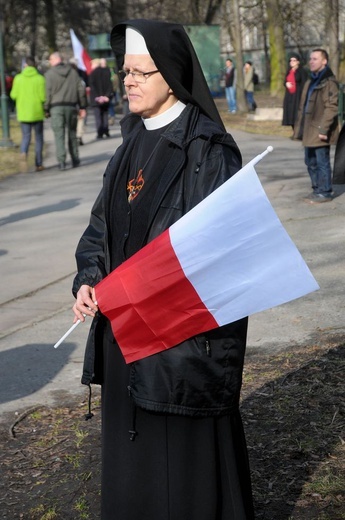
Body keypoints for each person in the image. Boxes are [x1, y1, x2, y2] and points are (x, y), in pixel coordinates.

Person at [72, 19, 255, 520]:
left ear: (170, 75)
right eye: (124, 71)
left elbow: (219, 256)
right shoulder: (129, 143)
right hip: (122, 335)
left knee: (182, 476)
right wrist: (89, 277)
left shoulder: (208, 151)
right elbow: (100, 230)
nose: (126, 81)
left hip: (177, 343)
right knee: (136, 472)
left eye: (138, 72)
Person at [294, 48, 339, 203]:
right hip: (308, 128)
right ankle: (316, 189)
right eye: (310, 59)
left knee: (321, 162)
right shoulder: (310, 80)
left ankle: (325, 192)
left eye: (315, 59)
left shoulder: (329, 82)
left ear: (324, 61)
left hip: (320, 129)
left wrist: (324, 128)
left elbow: (332, 107)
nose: (311, 62)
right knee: (310, 161)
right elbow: (303, 106)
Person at [44, 52, 87, 170]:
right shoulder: (73, 73)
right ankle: (75, 159)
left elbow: (47, 93)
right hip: (71, 106)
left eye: (50, 60)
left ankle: (62, 161)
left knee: (59, 135)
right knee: (72, 133)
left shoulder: (49, 74)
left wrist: (46, 108)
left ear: (55, 60)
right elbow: (81, 89)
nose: (50, 62)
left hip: (56, 107)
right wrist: (82, 106)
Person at [10, 56, 46, 173]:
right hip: (37, 113)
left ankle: (23, 152)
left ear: (25, 65)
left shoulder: (18, 78)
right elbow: (43, 97)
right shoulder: (40, 79)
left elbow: (13, 95)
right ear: (34, 65)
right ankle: (38, 163)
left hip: (23, 113)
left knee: (26, 136)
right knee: (39, 138)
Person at [282, 52, 308, 131]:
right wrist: (286, 84)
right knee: (290, 113)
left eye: (294, 60)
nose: (292, 62)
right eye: (291, 60)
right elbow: (284, 81)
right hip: (289, 95)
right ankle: (294, 131)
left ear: (298, 62)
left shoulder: (301, 71)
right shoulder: (289, 71)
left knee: (297, 113)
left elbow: (304, 83)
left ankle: (299, 132)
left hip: (298, 95)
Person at [89, 58, 113, 139]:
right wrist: (106, 96)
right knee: (105, 114)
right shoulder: (107, 72)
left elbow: (92, 87)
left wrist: (98, 97)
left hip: (96, 99)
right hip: (105, 98)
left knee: (98, 116)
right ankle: (106, 130)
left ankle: (100, 132)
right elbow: (110, 85)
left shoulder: (92, 74)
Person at [69, 57, 88, 146]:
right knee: (80, 120)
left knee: (73, 121)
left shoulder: (67, 76)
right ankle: (79, 135)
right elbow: (82, 90)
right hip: (78, 101)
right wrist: (83, 105)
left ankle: (74, 137)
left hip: (70, 102)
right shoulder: (79, 75)